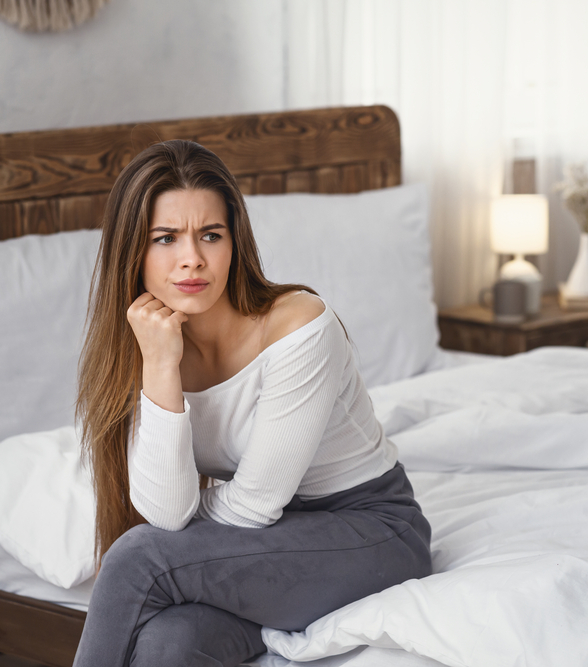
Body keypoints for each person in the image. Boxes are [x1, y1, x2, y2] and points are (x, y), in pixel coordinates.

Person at [73, 140, 432, 667]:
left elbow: (253, 504)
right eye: (166, 238)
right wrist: (160, 369)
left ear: (234, 243)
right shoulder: (149, 344)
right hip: (271, 548)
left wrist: (181, 553)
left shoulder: (298, 325)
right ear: (133, 252)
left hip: (371, 534)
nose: (192, 258)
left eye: (210, 235)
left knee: (138, 557)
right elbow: (169, 513)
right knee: (168, 643)